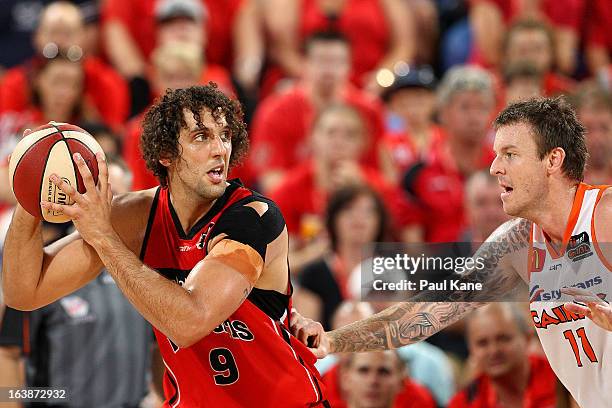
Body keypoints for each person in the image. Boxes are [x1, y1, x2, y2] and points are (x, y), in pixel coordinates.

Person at [2, 84, 329, 406]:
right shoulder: (137, 217)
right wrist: (32, 190)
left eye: (225, 135)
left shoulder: (253, 218)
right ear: (166, 154)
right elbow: (24, 291)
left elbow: (190, 322)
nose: (220, 149)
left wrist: (103, 237)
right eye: (201, 137)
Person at [293, 97, 612, 408]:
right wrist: (333, 340)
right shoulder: (516, 243)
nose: (495, 168)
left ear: (553, 160)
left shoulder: (605, 215)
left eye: (510, 154)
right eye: (496, 154)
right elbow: (427, 313)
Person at [0, 156, 157, 408]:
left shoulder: (149, 267)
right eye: (94, 193)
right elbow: (7, 353)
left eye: (113, 195)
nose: (101, 204)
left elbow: (157, 349)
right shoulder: (41, 266)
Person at [448, 303, 557, 408]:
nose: (494, 350)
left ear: (527, 339)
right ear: (471, 349)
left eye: (503, 338)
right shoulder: (463, 403)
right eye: (482, 343)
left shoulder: (559, 378)